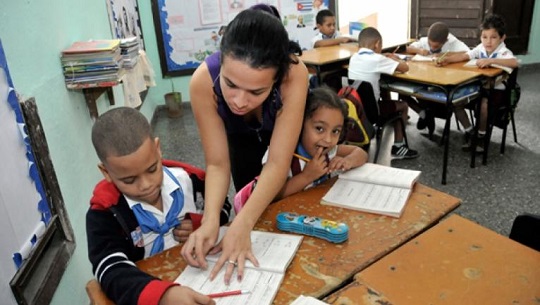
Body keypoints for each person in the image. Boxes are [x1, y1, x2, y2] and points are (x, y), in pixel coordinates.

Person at [183, 8, 309, 285]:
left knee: (280, 201)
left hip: (281, 138)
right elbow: (217, 163)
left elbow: (277, 162)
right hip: (239, 138)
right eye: (230, 84)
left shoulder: (295, 74)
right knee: (247, 197)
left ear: (277, 79)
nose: (239, 101)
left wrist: (243, 224)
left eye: (256, 92)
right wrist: (210, 221)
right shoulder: (202, 82)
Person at [86, 107, 232, 305]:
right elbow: (110, 269)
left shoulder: (191, 180)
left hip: (203, 279)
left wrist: (202, 223)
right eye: (129, 180)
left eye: (152, 169)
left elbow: (223, 206)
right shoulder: (104, 213)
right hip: (146, 292)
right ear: (106, 172)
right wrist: (162, 296)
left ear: (158, 148)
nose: (146, 185)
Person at [233, 86, 368, 212]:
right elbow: (269, 195)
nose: (328, 139)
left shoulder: (329, 150)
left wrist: (348, 161)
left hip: (310, 212)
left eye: (335, 131)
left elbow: (360, 153)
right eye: (319, 128)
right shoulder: (281, 153)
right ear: (300, 123)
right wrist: (306, 177)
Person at [437, 14, 518, 152]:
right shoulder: (481, 47)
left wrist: (491, 61)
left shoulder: (504, 52)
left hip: (497, 92)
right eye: (484, 37)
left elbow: (515, 62)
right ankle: (470, 131)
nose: (488, 41)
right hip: (478, 88)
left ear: (502, 38)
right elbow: (466, 55)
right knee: (455, 100)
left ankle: (481, 135)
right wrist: (448, 60)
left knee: (483, 105)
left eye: (493, 37)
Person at [348, 27, 419, 159]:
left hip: (357, 108)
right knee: (403, 105)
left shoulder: (354, 58)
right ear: (377, 44)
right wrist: (395, 59)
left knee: (383, 92)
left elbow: (373, 60)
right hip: (372, 112)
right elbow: (405, 68)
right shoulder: (378, 60)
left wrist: (383, 57)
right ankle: (399, 146)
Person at [405, 22, 470, 132]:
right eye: (430, 44)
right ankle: (424, 113)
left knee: (434, 95)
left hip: (445, 80)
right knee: (407, 92)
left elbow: (469, 52)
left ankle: (428, 113)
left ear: (445, 41)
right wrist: (419, 50)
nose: (432, 47)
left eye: (436, 46)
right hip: (425, 77)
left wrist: (444, 55)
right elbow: (408, 48)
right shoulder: (425, 40)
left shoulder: (453, 42)